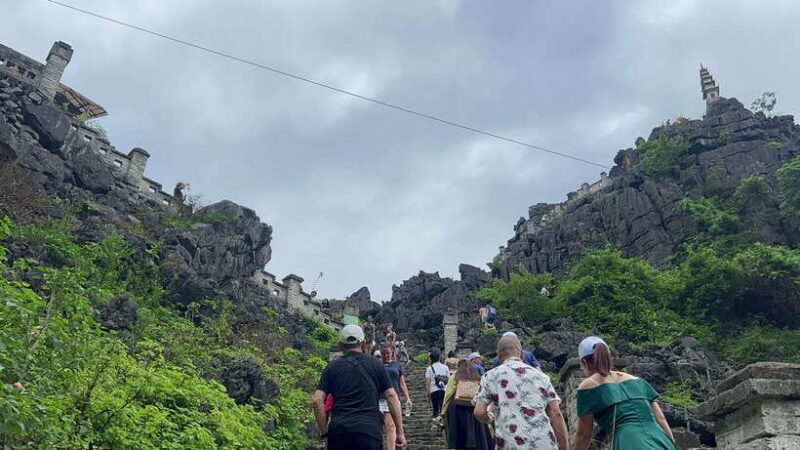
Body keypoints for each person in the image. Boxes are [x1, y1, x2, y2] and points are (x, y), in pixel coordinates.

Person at [312, 325, 406, 450]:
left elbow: (317, 400)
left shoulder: (331, 368)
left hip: (339, 432)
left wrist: (324, 431)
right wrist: (400, 433)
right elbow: (392, 396)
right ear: (362, 343)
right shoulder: (376, 365)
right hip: (369, 432)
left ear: (340, 345)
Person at [574, 337, 676, 450]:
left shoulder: (588, 386)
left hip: (629, 442)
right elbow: (661, 418)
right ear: (608, 357)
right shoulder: (636, 380)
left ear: (584, 362)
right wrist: (672, 444)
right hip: (660, 439)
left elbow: (583, 436)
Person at [474, 335, 568, 450]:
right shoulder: (541, 376)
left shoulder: (490, 377)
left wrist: (489, 418)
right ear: (522, 354)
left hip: (511, 444)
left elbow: (479, 412)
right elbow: (556, 412)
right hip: (544, 443)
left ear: (498, 355)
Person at [434, 359, 494, 450]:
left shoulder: (454, 377)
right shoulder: (477, 378)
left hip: (457, 412)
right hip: (474, 411)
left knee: (460, 441)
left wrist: (442, 414)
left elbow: (448, 397)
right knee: (477, 439)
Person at [380, 345, 412, 450]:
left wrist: (407, 397)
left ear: (392, 353)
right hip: (378, 399)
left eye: (387, 353)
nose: (386, 355)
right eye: (383, 354)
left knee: (391, 426)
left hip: (392, 400)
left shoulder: (397, 365)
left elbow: (402, 383)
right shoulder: (377, 365)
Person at [425, 348, 450, 418]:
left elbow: (428, 383)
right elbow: (449, 380)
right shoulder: (445, 367)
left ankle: (435, 424)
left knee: (435, 409)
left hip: (434, 391)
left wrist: (428, 395)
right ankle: (444, 424)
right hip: (444, 390)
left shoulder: (429, 368)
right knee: (443, 409)